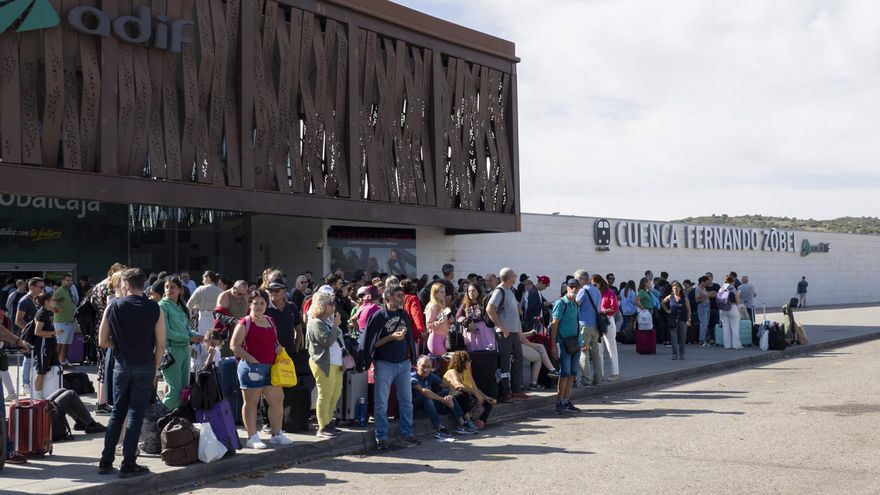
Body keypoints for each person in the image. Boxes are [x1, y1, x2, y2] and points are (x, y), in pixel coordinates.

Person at [98, 268, 165, 478]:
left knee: (117, 413)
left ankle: (106, 461)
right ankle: (128, 463)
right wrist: (155, 367)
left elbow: (102, 341)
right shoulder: (154, 308)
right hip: (145, 364)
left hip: (121, 364)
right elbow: (161, 344)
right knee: (136, 413)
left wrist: (118, 347)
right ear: (143, 284)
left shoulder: (114, 306)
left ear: (125, 284)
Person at [230, 289, 292, 449]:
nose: (258, 306)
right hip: (251, 368)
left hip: (272, 367)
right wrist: (252, 360)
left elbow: (273, 341)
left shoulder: (270, 320)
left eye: (262, 303)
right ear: (249, 304)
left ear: (266, 304)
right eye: (255, 303)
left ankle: (276, 434)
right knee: (251, 402)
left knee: (277, 400)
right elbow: (234, 346)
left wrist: (278, 348)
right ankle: (252, 437)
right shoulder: (244, 322)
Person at [361, 285, 419, 450]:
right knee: (381, 403)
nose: (403, 298)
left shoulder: (403, 314)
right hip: (384, 364)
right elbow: (372, 344)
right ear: (388, 299)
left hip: (403, 363)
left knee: (407, 401)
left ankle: (407, 434)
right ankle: (382, 437)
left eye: (402, 295)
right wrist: (391, 337)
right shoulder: (379, 316)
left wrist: (410, 357)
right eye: (399, 296)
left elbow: (409, 338)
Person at [159, 278, 202, 410]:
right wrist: (188, 339)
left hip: (184, 350)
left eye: (172, 287)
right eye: (167, 287)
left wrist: (197, 335)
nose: (169, 290)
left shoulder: (181, 306)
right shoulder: (162, 306)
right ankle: (157, 419)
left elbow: (186, 329)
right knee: (175, 392)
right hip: (171, 351)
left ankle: (175, 421)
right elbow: (166, 332)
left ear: (180, 290)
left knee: (184, 391)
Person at [306, 291, 344, 439]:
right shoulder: (315, 322)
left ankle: (329, 423)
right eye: (329, 303)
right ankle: (322, 426)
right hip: (324, 363)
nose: (332, 306)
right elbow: (326, 342)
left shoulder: (327, 321)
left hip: (336, 362)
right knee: (325, 394)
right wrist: (335, 326)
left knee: (335, 394)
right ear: (321, 306)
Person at [411, 355, 478, 439]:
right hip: (415, 408)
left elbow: (452, 387)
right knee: (427, 397)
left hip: (430, 405)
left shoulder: (430, 375)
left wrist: (449, 397)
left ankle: (462, 424)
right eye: (423, 366)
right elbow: (424, 392)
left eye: (428, 367)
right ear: (417, 366)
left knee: (446, 392)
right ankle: (440, 429)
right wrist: (442, 400)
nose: (426, 369)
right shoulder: (412, 377)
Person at [487, 267, 528, 401]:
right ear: (509, 277)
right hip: (504, 333)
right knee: (505, 363)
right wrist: (501, 327)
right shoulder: (500, 290)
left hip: (514, 332)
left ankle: (516, 389)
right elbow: (490, 308)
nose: (515, 277)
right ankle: (505, 392)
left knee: (518, 359)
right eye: (514, 275)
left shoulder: (510, 290)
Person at [549, 278, 582, 414]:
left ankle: (566, 400)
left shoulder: (576, 304)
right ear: (567, 287)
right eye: (571, 286)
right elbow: (554, 324)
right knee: (564, 374)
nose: (574, 289)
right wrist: (553, 345)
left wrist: (581, 342)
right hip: (563, 343)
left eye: (576, 287)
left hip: (575, 343)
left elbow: (577, 323)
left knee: (572, 374)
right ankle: (559, 402)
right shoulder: (561, 303)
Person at [443, 351, 495, 428]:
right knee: (462, 393)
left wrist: (486, 397)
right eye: (468, 361)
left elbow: (475, 388)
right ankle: (467, 420)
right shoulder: (452, 371)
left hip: (466, 398)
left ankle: (480, 421)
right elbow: (458, 386)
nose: (470, 362)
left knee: (488, 402)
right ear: (461, 362)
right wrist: (474, 393)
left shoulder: (466, 372)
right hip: (451, 399)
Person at [575, 270, 603, 386]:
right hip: (595, 325)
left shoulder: (583, 291)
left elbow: (576, 305)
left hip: (584, 325)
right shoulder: (597, 290)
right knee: (595, 353)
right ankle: (598, 378)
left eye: (577, 279)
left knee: (584, 352)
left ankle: (586, 379)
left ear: (582, 279)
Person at [16, 277, 44, 395]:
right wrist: (29, 331)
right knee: (28, 359)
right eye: (40, 287)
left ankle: (30, 383)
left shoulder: (36, 300)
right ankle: (25, 384)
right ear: (32, 287)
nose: (42, 289)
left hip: (36, 335)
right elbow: (18, 320)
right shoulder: (24, 301)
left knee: (34, 359)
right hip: (29, 336)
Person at [32, 292, 61, 400]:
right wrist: (54, 333)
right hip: (43, 345)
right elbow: (37, 332)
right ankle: (38, 398)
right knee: (41, 371)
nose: (55, 302)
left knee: (53, 368)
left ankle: (51, 394)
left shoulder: (48, 312)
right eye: (53, 300)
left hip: (50, 344)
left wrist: (54, 333)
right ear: (46, 302)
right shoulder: (41, 314)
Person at [593, 274, 620, 380]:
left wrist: (603, 311)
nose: (594, 286)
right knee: (598, 349)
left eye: (595, 284)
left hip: (607, 320)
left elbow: (614, 307)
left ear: (600, 283)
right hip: (598, 321)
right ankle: (600, 373)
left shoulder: (609, 293)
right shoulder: (595, 293)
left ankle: (615, 372)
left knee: (611, 348)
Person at [456, 283, 496, 352]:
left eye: (473, 291)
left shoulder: (484, 302)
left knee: (488, 353)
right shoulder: (465, 305)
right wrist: (468, 321)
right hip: (471, 333)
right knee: (473, 355)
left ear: (478, 292)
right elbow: (458, 316)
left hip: (485, 331)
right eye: (469, 291)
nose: (471, 293)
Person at [661, 281, 693, 360]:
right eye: (674, 288)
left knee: (682, 338)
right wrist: (667, 310)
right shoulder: (670, 296)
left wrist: (689, 319)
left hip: (682, 319)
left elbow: (689, 309)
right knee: (673, 338)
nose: (676, 290)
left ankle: (681, 354)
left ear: (680, 289)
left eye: (677, 288)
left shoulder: (684, 298)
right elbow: (662, 302)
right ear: (672, 289)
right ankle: (674, 354)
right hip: (673, 319)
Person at [52, 274, 77, 367]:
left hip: (69, 320)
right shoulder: (60, 290)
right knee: (60, 342)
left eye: (71, 280)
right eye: (68, 280)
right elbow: (52, 300)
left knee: (65, 343)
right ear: (62, 281)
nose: (70, 282)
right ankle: (56, 362)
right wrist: (57, 308)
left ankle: (62, 360)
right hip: (61, 321)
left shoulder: (68, 290)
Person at [424, 283, 452, 356]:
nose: (444, 294)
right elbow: (428, 325)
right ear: (435, 294)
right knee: (445, 363)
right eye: (441, 292)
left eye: (444, 292)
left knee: (444, 364)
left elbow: (441, 322)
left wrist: (449, 322)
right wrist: (439, 322)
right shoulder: (432, 306)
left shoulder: (440, 305)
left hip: (442, 338)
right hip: (435, 339)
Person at [401, 279, 426, 352]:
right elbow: (416, 314)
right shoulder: (412, 298)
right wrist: (421, 329)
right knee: (414, 357)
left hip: (400, 330)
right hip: (411, 331)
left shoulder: (398, 298)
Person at [718, 275, 742, 350]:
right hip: (732, 308)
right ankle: (736, 345)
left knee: (726, 328)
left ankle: (727, 345)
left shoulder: (721, 288)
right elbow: (737, 301)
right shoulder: (733, 289)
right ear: (732, 282)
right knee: (735, 327)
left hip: (722, 310)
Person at [694, 276, 711, 347]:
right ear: (702, 282)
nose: (707, 284)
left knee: (706, 324)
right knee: (703, 324)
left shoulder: (704, 288)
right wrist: (707, 296)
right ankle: (701, 341)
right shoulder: (698, 289)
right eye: (706, 283)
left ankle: (704, 339)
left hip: (707, 306)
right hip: (702, 307)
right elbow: (697, 300)